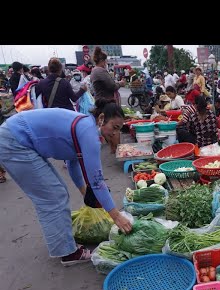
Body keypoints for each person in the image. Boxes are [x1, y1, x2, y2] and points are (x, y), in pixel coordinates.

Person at [0, 100, 133, 266]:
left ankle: (62, 241)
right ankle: (68, 252)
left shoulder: (85, 125)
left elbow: (73, 162)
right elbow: (97, 181)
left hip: (15, 137)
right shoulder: (89, 132)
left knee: (57, 193)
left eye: (119, 129)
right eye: (114, 127)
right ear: (101, 118)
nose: (114, 134)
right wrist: (116, 216)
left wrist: (84, 192)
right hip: (15, 142)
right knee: (53, 197)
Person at [90, 47, 125, 153]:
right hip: (107, 103)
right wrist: (120, 84)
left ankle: (114, 148)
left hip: (101, 101)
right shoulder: (100, 71)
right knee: (115, 128)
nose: (106, 63)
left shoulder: (94, 71)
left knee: (109, 127)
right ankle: (117, 150)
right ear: (103, 61)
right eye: (106, 61)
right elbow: (112, 86)